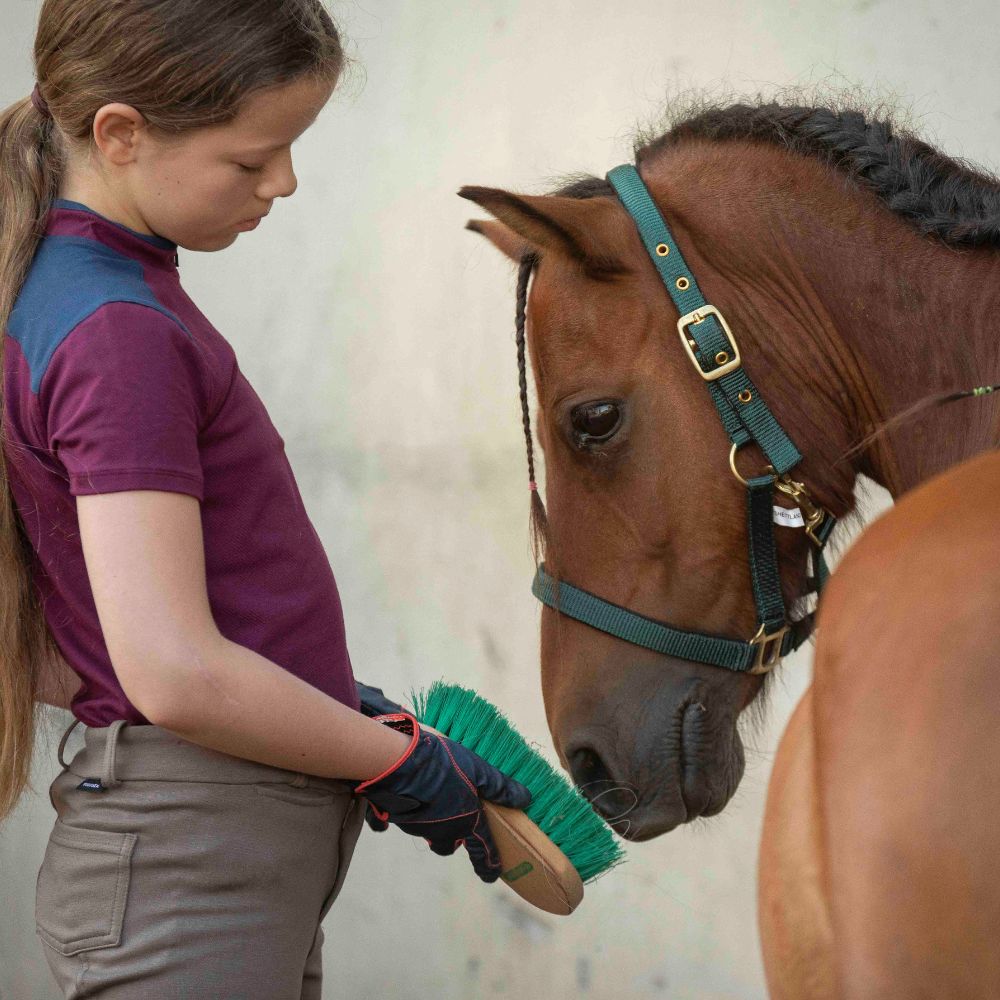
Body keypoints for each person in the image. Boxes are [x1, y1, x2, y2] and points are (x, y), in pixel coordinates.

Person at [0, 2, 531, 996]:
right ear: (120, 134)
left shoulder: (97, 293)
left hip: (203, 848)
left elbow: (101, 640)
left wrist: (326, 707)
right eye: (252, 159)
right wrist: (389, 761)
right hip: (190, 858)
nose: (283, 183)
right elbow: (172, 674)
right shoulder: (117, 330)